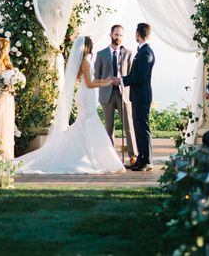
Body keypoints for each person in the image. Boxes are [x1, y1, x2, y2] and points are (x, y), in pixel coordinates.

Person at [16, 36, 125, 174]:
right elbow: (90, 83)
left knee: (84, 125)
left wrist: (102, 81)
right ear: (88, 47)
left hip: (84, 94)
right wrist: (106, 82)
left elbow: (83, 79)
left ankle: (89, 155)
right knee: (89, 124)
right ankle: (93, 158)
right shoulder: (85, 61)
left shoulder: (82, 61)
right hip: (86, 95)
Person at [113, 23, 155, 172]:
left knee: (143, 129)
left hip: (142, 97)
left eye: (136, 33)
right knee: (138, 128)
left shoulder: (146, 53)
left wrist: (122, 80)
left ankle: (147, 161)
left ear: (138, 34)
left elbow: (141, 76)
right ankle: (141, 159)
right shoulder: (141, 52)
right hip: (137, 97)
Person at [94, 24, 137, 167]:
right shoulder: (101, 54)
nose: (118, 37)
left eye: (120, 35)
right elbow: (97, 75)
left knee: (128, 126)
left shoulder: (129, 54)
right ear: (111, 35)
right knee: (109, 128)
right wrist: (106, 82)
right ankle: (111, 157)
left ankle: (133, 155)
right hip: (107, 95)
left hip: (123, 94)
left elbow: (131, 75)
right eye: (116, 34)